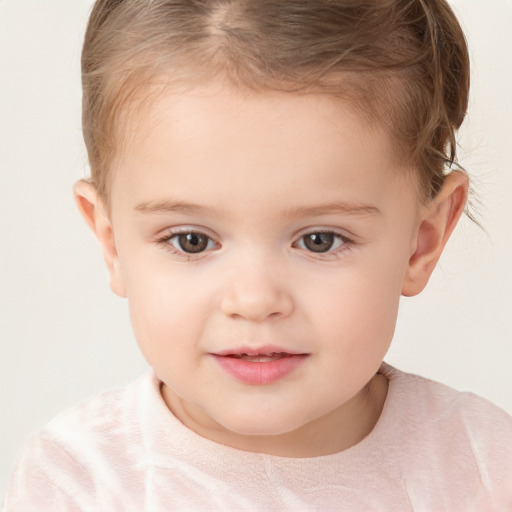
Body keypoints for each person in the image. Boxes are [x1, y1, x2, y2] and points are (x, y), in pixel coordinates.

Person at [4, 0, 512, 510]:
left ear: (421, 241)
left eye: (320, 240)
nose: (253, 300)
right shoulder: (77, 484)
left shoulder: (484, 467)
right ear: (112, 243)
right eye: (191, 240)